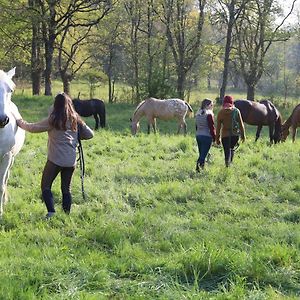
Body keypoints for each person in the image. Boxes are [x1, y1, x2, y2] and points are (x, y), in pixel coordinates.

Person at [15, 93, 94, 218]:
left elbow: (33, 128)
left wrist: (20, 122)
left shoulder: (53, 119)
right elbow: (90, 134)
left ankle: (51, 212)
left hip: (55, 160)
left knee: (45, 186)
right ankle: (66, 215)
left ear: (55, 105)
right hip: (71, 161)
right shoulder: (76, 119)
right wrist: (75, 137)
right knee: (66, 189)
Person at [216, 95, 245, 167]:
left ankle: (227, 165)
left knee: (226, 151)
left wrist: (217, 138)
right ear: (232, 102)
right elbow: (241, 124)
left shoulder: (220, 112)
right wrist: (243, 136)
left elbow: (218, 127)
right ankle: (230, 162)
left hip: (225, 136)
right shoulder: (236, 111)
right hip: (235, 135)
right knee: (231, 149)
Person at [195, 98, 216, 171]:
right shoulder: (209, 115)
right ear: (207, 105)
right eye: (211, 105)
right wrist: (215, 138)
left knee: (202, 153)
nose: (212, 107)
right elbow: (212, 127)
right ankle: (197, 168)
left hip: (198, 135)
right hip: (207, 136)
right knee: (203, 155)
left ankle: (201, 168)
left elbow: (196, 126)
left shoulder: (198, 114)